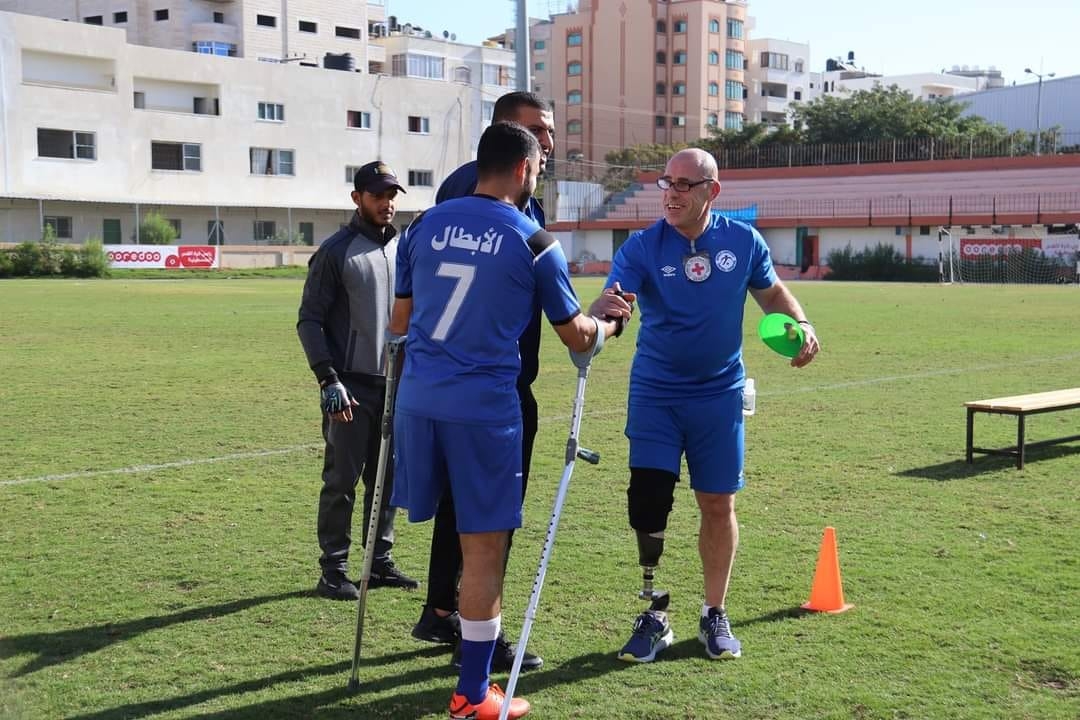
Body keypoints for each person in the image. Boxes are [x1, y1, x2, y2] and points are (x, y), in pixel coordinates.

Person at [389, 122, 632, 720]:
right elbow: (576, 337)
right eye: (540, 167)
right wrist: (608, 323)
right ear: (524, 170)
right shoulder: (533, 240)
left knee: (449, 530)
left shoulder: (421, 224)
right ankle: (473, 694)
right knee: (484, 549)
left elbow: (399, 322)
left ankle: (457, 654)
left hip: (419, 402)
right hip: (483, 412)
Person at [601, 148, 820, 663]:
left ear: (711, 191)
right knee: (648, 502)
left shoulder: (742, 242)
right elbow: (615, 299)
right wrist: (600, 319)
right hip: (655, 392)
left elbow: (774, 296)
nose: (671, 193)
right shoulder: (642, 246)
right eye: (666, 183)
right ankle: (654, 610)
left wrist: (803, 324)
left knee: (718, 503)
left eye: (684, 184)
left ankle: (714, 613)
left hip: (719, 395)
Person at [410, 91, 555, 672]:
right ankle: (472, 634)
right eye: (537, 131)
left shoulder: (516, 197)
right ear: (507, 136)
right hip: (486, 382)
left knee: (467, 506)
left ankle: (444, 608)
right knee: (487, 516)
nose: (548, 141)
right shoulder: (475, 195)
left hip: (462, 381)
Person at [296, 160, 419, 601]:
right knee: (341, 481)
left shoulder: (406, 247)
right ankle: (334, 569)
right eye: (377, 195)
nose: (386, 203)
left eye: (391, 196)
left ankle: (378, 563)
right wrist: (327, 379)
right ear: (357, 199)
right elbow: (309, 320)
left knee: (387, 479)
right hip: (348, 387)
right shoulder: (335, 251)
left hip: (397, 386)